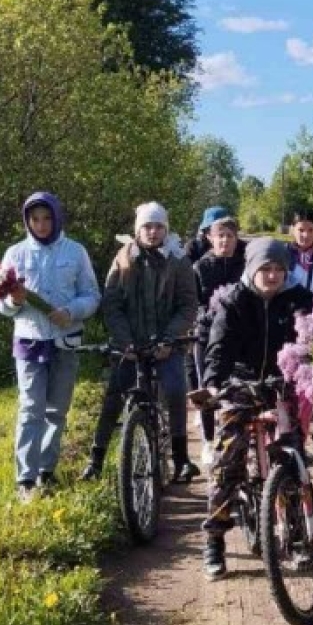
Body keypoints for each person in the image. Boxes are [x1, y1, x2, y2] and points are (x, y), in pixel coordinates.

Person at [200, 238, 313, 579]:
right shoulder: (234, 301)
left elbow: (311, 339)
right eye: (266, 268)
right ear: (252, 268)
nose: (273, 275)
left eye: (279, 268)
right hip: (241, 384)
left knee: (292, 456)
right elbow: (218, 348)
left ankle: (296, 535)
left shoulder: (297, 300)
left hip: (281, 384)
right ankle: (214, 541)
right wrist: (214, 383)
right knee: (228, 457)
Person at [0, 191, 100, 503]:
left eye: (46, 218)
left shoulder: (76, 252)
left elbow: (92, 295)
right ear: (27, 221)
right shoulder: (15, 254)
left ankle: (46, 471)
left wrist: (72, 311)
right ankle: (25, 480)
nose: (41, 225)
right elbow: (1, 304)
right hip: (29, 341)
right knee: (30, 409)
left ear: (56, 218)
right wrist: (12, 302)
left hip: (65, 342)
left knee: (57, 410)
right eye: (34, 219)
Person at [86, 202, 200, 484]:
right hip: (130, 345)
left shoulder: (178, 260)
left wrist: (169, 340)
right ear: (138, 229)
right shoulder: (123, 258)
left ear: (166, 229)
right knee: (114, 395)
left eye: (158, 226)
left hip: (167, 344)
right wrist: (125, 342)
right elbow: (112, 304)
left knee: (174, 389)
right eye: (147, 226)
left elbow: (187, 306)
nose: (153, 232)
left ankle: (181, 458)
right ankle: (95, 459)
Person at [192, 211, 247, 468]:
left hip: (236, 335)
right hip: (205, 334)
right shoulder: (201, 267)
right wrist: (211, 313)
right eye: (220, 236)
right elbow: (193, 304)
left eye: (229, 236)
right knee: (208, 388)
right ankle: (207, 439)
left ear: (237, 239)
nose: (224, 241)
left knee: (235, 390)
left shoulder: (245, 264)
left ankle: (234, 439)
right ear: (210, 239)